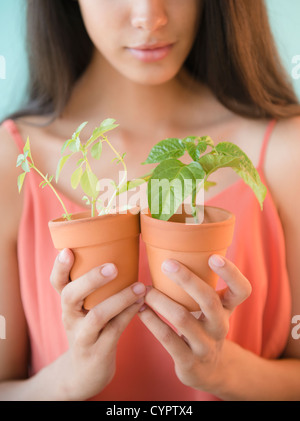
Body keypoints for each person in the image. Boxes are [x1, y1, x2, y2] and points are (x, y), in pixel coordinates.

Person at [0, 0, 300, 401]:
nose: (149, 17)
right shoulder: (12, 162)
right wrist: (73, 378)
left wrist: (224, 371)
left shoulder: (286, 153)